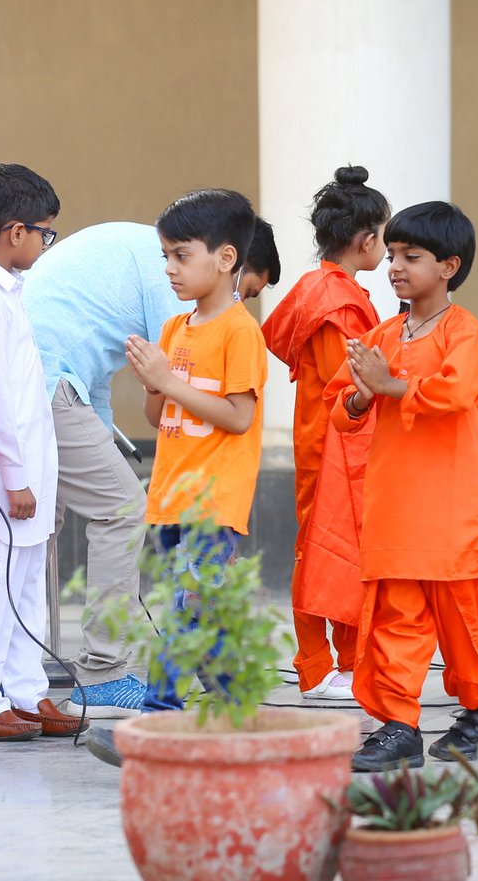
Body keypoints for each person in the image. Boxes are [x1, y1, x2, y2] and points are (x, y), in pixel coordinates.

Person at [329, 201, 478, 771]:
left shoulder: (464, 330)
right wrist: (362, 392)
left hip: (451, 508)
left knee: (462, 618)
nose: (396, 266)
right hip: (395, 508)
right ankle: (399, 725)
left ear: (449, 266)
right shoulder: (382, 332)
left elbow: (453, 394)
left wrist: (391, 383)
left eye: (412, 256)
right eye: (394, 254)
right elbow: (342, 407)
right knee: (396, 618)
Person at [23, 222, 192, 717]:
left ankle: (16, 671)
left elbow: (94, 370)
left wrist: (105, 439)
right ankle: (102, 673)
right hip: (48, 379)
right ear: (231, 258)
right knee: (122, 510)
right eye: (245, 290)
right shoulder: (172, 272)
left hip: (40, 378)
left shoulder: (140, 250)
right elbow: (178, 369)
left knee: (36, 528)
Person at [124, 189, 267, 713]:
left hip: (212, 502)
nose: (169, 269)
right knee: (198, 611)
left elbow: (239, 416)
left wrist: (169, 380)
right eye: (165, 256)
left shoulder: (240, 332)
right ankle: (235, 708)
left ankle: (158, 710)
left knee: (190, 607)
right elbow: (157, 418)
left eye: (181, 255)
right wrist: (152, 384)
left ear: (225, 258)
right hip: (170, 496)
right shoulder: (173, 328)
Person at [0, 164, 82, 741]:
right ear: (14, 231)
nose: (44, 244)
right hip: (4, 473)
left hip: (31, 466)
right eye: (43, 233)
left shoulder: (9, 291)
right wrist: (15, 476)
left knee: (28, 581)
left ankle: (27, 690)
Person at [261, 166, 387, 702]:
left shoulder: (317, 290)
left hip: (319, 437)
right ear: (366, 241)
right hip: (338, 442)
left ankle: (336, 663)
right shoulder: (337, 302)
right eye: (384, 239)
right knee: (332, 550)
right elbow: (351, 382)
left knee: (324, 547)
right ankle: (324, 666)